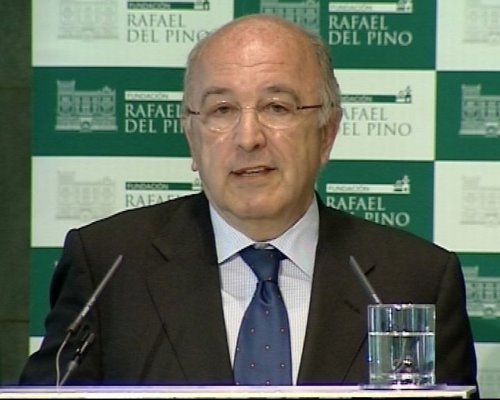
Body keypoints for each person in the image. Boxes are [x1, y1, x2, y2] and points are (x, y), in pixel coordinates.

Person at [19, 14, 477, 388]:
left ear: (327, 133)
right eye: (221, 110)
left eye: (277, 107)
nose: (248, 137)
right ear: (192, 136)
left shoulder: (415, 279)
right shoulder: (110, 266)